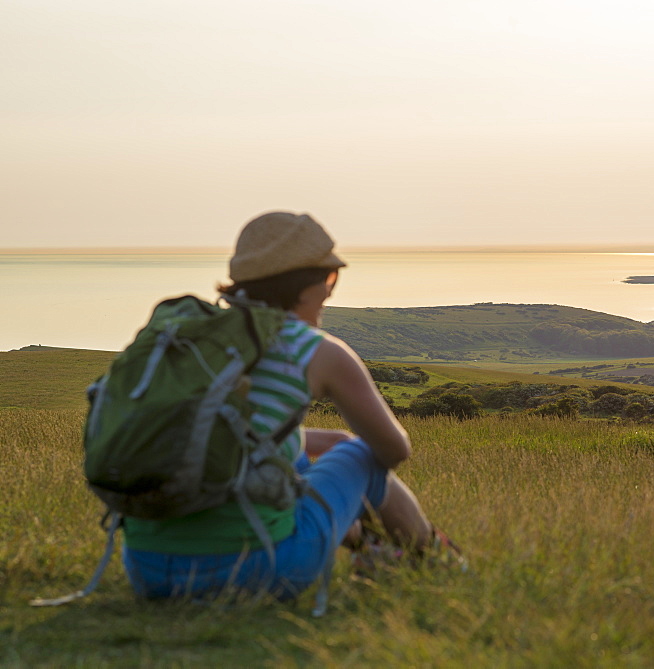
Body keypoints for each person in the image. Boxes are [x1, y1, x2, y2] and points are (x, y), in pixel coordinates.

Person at [121, 211, 450, 601]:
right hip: (255, 573)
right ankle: (438, 563)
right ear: (306, 283)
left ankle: (374, 548)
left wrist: (306, 441)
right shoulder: (318, 351)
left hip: (148, 572)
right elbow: (394, 450)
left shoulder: (190, 338)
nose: (331, 291)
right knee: (362, 454)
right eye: (330, 278)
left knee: (310, 448)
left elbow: (216, 433)